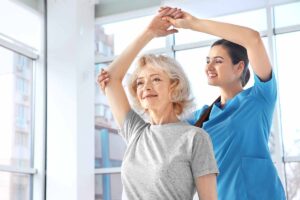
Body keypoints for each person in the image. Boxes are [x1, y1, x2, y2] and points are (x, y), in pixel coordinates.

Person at [99, 7, 286, 200]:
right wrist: (150, 32)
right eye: (207, 61)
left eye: (218, 61)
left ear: (239, 67)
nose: (209, 67)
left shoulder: (259, 99)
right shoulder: (199, 120)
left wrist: (193, 24)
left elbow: (252, 39)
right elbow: (166, 126)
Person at [96, 8, 219, 200]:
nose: (146, 87)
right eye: (140, 82)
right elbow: (110, 78)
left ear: (174, 86)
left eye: (156, 79)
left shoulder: (195, 138)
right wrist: (149, 32)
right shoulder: (136, 131)